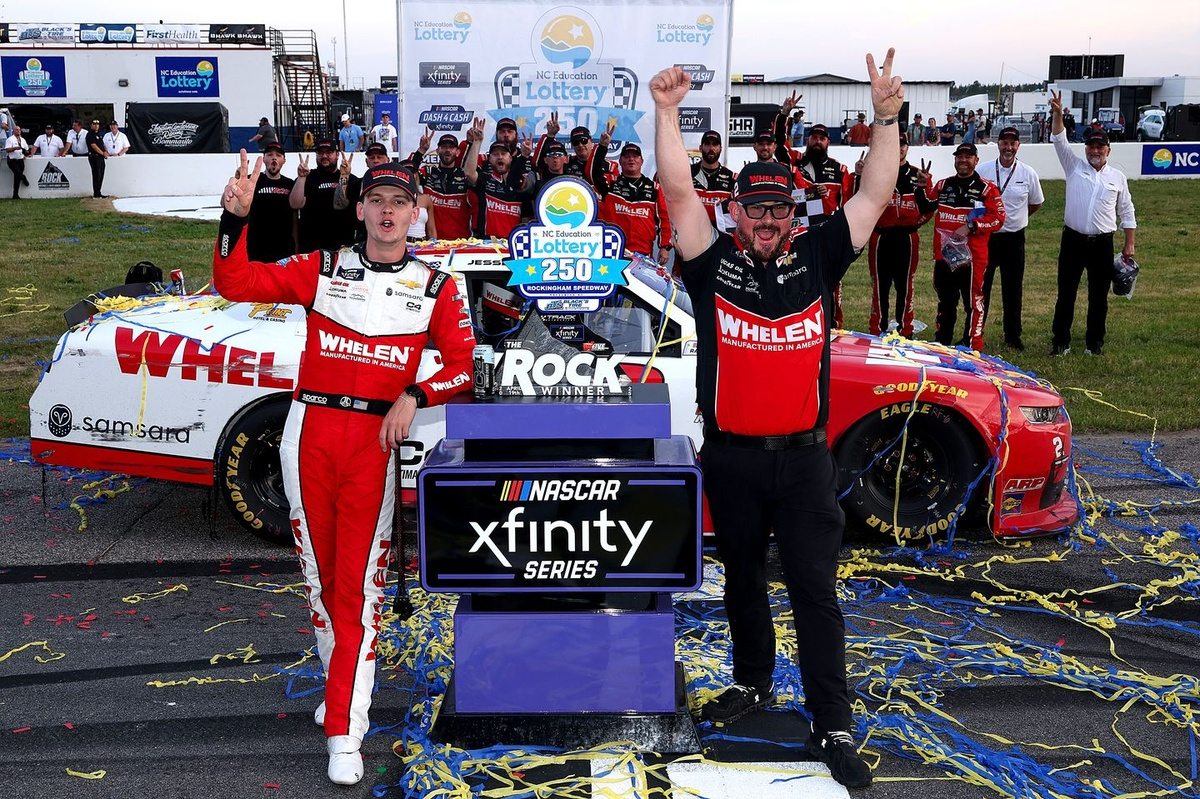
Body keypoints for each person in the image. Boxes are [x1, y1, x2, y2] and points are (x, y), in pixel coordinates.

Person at [652, 47, 905, 791]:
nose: (767, 220)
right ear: (734, 211)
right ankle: (752, 682)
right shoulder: (710, 261)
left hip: (802, 460)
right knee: (741, 580)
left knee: (813, 592)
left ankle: (833, 721)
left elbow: (876, 192)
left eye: (779, 209)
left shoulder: (819, 255)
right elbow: (676, 190)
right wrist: (666, 112)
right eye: (755, 208)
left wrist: (886, 119)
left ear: (794, 214)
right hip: (731, 455)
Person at [215, 153, 474, 786]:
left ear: (416, 215)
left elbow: (464, 368)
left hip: (372, 444)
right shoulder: (324, 266)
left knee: (357, 588)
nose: (387, 211)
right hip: (308, 434)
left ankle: (344, 728)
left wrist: (416, 395)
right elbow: (236, 282)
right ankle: (342, 689)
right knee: (321, 580)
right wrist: (234, 221)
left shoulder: (437, 287)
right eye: (377, 200)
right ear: (359, 209)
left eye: (400, 202)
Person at [1047, 90, 1136, 357]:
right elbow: (1059, 139)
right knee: (1066, 294)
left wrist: (1129, 243)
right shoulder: (1073, 166)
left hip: (1102, 244)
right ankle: (1060, 343)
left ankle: (1094, 344)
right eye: (1091, 146)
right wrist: (1058, 114)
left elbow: (1127, 210)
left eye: (1100, 147)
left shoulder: (1117, 177)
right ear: (1085, 149)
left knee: (1099, 297)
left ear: (1108, 150)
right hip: (1073, 240)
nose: (1095, 151)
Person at [923, 142, 1006, 350]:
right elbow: (925, 206)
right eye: (960, 156)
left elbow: (998, 219)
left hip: (973, 257)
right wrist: (922, 186)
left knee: (973, 302)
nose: (963, 160)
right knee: (946, 301)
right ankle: (942, 342)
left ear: (976, 161)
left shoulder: (987, 189)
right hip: (945, 255)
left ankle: (972, 345)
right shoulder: (943, 185)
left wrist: (971, 226)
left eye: (968, 157)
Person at [860, 133, 937, 337]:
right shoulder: (876, 173)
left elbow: (929, 208)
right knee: (880, 285)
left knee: (905, 285)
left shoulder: (919, 174)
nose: (899, 148)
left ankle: (905, 330)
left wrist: (914, 224)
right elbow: (860, 201)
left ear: (907, 148)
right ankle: (877, 330)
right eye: (895, 144)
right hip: (881, 237)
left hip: (907, 237)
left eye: (902, 145)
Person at [976, 126, 1044, 350]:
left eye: (1012, 144)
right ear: (998, 144)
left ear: (1018, 146)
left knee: (1013, 289)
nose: (1008, 148)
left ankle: (1013, 336)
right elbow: (975, 202)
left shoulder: (1028, 173)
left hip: (1014, 239)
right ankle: (976, 332)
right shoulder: (983, 171)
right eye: (1004, 143)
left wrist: (1017, 218)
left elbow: (1036, 203)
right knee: (981, 288)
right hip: (987, 238)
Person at [594, 142, 671, 263]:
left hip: (643, 253)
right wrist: (602, 147)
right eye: (627, 156)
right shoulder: (610, 183)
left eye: (635, 156)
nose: (631, 159)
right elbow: (595, 173)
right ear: (620, 161)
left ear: (642, 161)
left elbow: (664, 219)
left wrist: (665, 247)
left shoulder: (654, 188)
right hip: (613, 251)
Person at [462, 120, 533, 240]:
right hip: (484, 242)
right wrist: (477, 142)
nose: (500, 157)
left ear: (510, 158)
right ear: (489, 159)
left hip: (511, 244)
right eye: (495, 154)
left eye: (503, 154)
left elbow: (526, 220)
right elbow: (468, 173)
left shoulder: (519, 186)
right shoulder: (484, 180)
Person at [289, 137, 361, 251]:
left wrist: (344, 176)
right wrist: (301, 177)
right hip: (311, 248)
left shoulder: (351, 179)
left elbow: (340, 205)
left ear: (337, 155)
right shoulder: (308, 177)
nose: (324, 156)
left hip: (342, 247)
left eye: (329, 152)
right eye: (320, 152)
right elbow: (295, 204)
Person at [414, 131, 472, 240]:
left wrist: (472, 143)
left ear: (458, 152)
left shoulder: (465, 175)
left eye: (451, 147)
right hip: (432, 242)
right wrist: (421, 151)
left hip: (460, 242)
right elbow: (408, 172)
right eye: (444, 147)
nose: (447, 150)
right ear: (437, 151)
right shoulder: (429, 172)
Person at [245, 141, 297, 262]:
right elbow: (226, 203)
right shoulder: (251, 181)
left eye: (278, 155)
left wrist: (296, 245)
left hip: (284, 248)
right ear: (264, 159)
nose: (274, 158)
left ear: (284, 160)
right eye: (269, 155)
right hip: (256, 247)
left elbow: (295, 217)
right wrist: (236, 181)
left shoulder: (290, 184)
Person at [691, 129, 736, 229]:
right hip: (693, 232)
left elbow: (739, 211)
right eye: (707, 144)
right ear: (700, 148)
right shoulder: (687, 173)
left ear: (720, 149)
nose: (711, 148)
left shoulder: (731, 178)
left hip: (720, 234)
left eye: (715, 144)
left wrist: (729, 204)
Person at [5, 125, 31, 199]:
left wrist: (25, 154)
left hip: (20, 159)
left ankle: (15, 194)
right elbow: (7, 150)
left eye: (19, 130)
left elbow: (26, 149)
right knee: (18, 173)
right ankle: (24, 178)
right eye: (16, 130)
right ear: (13, 131)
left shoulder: (23, 140)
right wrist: (15, 148)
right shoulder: (10, 139)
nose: (18, 131)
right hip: (12, 160)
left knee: (17, 178)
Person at [86, 119, 107, 198]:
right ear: (91, 125)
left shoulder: (98, 134)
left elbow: (102, 144)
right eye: (94, 124)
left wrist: (105, 151)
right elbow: (93, 146)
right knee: (96, 175)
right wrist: (102, 153)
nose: (96, 126)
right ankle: (96, 193)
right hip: (94, 156)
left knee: (101, 175)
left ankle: (99, 192)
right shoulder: (90, 134)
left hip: (100, 157)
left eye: (97, 124)